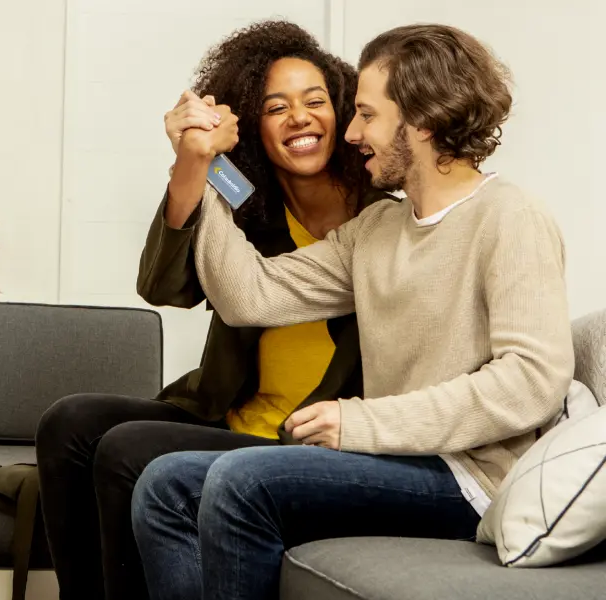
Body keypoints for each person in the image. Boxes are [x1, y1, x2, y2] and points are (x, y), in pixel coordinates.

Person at [131, 23, 574, 600]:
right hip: (396, 460)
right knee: (166, 485)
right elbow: (249, 296)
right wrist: (208, 160)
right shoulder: (379, 229)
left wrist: (361, 422)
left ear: (422, 119)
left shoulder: (509, 216)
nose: (352, 132)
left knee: (243, 482)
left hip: (471, 480)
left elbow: (532, 380)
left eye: (367, 115)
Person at [33, 21, 389, 600]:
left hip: (305, 441)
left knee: (126, 449)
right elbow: (162, 286)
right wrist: (194, 161)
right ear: (251, 126)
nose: (299, 118)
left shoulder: (384, 220)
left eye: (315, 101)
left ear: (344, 111)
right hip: (227, 415)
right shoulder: (246, 206)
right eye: (276, 107)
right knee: (70, 421)